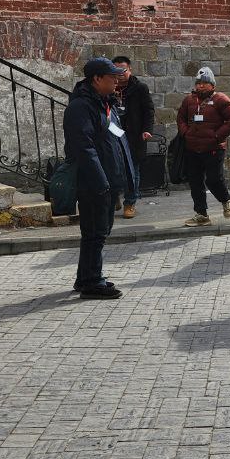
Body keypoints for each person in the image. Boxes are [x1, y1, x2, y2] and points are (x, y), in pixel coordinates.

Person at [63, 57, 135, 299]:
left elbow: (117, 141)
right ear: (96, 79)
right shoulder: (81, 107)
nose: (117, 81)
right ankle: (92, 281)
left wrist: (124, 177)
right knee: (95, 232)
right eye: (112, 77)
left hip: (109, 180)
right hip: (94, 182)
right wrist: (101, 181)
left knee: (99, 231)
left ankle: (86, 277)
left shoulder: (106, 104)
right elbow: (84, 148)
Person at [177, 67, 230, 226]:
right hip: (192, 148)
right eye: (198, 83)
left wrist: (217, 136)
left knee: (214, 180)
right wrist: (185, 133)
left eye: (204, 83)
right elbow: (181, 118)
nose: (201, 86)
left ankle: (226, 200)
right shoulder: (189, 100)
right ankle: (201, 214)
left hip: (213, 148)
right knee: (195, 182)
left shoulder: (220, 99)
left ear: (212, 85)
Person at [111, 55, 155, 219]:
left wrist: (147, 130)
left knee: (132, 170)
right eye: (116, 70)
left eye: (123, 70)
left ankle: (130, 203)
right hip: (113, 135)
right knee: (111, 168)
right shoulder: (109, 87)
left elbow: (148, 110)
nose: (120, 74)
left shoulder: (139, 88)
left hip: (134, 135)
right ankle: (114, 197)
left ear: (130, 69)